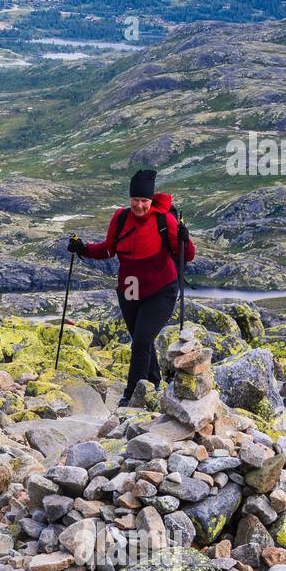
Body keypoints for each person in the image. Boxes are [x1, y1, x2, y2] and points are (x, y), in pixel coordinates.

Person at [68, 169, 196, 403]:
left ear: (150, 200)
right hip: (130, 287)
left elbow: (185, 256)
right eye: (135, 200)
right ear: (130, 199)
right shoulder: (120, 218)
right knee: (140, 338)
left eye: (144, 200)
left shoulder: (163, 220)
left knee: (141, 341)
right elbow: (108, 249)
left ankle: (131, 396)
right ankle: (154, 382)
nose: (139, 205)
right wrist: (83, 249)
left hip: (161, 288)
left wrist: (185, 239)